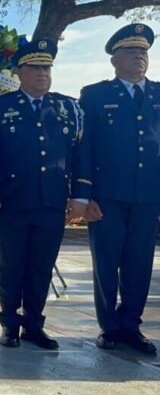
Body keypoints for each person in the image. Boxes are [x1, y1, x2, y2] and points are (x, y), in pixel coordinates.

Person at [0, 39, 82, 350]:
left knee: (42, 266)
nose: (42, 74)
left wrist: (80, 196)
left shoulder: (66, 108)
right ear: (20, 72)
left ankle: (34, 324)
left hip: (52, 201)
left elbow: (78, 154)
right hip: (12, 200)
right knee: (12, 264)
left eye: (46, 68)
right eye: (35, 68)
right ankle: (10, 323)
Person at [68, 23, 159, 355]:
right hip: (107, 196)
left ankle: (131, 326)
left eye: (143, 51)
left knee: (139, 263)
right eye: (131, 51)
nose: (139, 56)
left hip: (148, 195)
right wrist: (84, 195)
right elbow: (84, 148)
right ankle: (109, 326)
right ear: (114, 59)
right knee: (106, 262)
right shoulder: (96, 95)